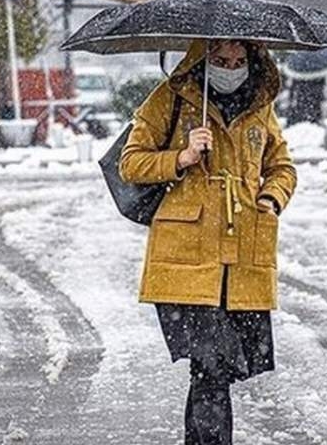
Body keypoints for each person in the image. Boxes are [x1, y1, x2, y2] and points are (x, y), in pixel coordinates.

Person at [118, 38, 297, 444]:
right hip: (185, 260)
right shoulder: (171, 98)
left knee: (218, 369)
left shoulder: (259, 106)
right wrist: (181, 157)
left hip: (241, 261)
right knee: (212, 365)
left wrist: (270, 198)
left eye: (238, 61)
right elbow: (131, 163)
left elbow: (282, 167)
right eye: (219, 60)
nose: (230, 68)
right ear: (202, 59)